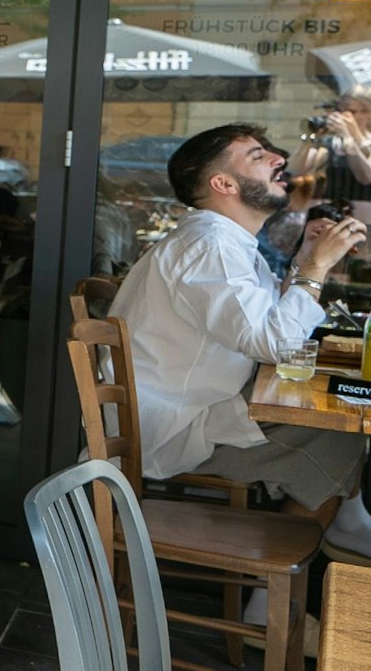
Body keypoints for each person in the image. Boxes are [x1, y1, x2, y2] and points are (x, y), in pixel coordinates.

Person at [110, 124, 371, 562]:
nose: (278, 159)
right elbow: (275, 344)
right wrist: (316, 270)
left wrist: (305, 261)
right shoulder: (209, 245)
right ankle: (276, 584)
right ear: (224, 184)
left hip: (194, 408)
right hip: (172, 430)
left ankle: (344, 524)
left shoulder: (224, 241)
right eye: (257, 156)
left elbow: (267, 320)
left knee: (340, 419)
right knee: (335, 435)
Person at [289, 86, 371, 217]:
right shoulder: (331, 143)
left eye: (364, 111)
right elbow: (296, 171)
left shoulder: (365, 141)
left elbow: (366, 177)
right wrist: (310, 139)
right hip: (330, 215)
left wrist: (349, 136)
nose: (358, 116)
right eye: (351, 111)